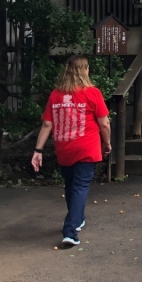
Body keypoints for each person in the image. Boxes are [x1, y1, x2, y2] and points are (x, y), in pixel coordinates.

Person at [31, 55, 111, 249]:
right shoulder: (92, 93)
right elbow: (104, 123)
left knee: (70, 185)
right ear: (85, 70)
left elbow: (47, 124)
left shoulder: (56, 95)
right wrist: (107, 143)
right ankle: (70, 231)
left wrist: (38, 150)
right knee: (80, 187)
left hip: (64, 148)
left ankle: (78, 218)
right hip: (86, 147)